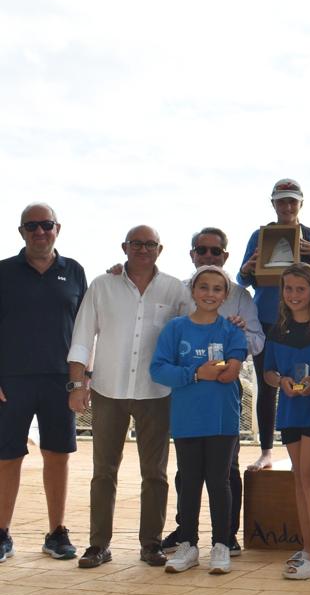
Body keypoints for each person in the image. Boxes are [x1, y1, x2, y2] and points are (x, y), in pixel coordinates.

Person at [68, 225, 189, 568]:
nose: (143, 249)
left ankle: (151, 544)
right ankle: (98, 546)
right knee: (103, 472)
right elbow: (82, 337)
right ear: (125, 247)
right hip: (108, 389)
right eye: (137, 243)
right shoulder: (102, 285)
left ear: (160, 250)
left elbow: (196, 324)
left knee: (156, 473)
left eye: (150, 244)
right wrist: (77, 385)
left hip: (157, 392)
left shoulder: (176, 289)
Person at [161, 228, 265, 557]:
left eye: (215, 251)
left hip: (221, 404)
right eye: (202, 250)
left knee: (224, 474)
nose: (208, 256)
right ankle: (185, 534)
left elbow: (255, 343)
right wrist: (194, 370)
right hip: (188, 401)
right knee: (187, 475)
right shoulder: (176, 293)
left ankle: (226, 536)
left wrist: (235, 336)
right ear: (192, 254)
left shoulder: (240, 298)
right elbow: (163, 351)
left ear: (226, 256)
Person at [0, 203, 88, 563]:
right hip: (11, 381)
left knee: (57, 456)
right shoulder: (4, 271)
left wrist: (82, 381)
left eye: (46, 225)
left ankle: (56, 533)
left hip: (60, 381)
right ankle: (2, 533)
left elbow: (87, 329)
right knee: (7, 458)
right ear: (21, 231)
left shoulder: (76, 271)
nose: (40, 231)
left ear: (57, 228)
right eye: (32, 226)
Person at [150, 266, 247, 574]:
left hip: (221, 419)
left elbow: (230, 372)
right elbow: (159, 369)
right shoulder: (176, 329)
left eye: (217, 289)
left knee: (219, 481)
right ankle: (188, 543)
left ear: (226, 295)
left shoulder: (232, 330)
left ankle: (221, 544)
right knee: (189, 481)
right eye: (203, 287)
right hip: (187, 418)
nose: (209, 294)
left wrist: (218, 369)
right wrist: (194, 372)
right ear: (192, 291)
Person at [238, 178, 310, 472]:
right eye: (281, 201)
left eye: (292, 200)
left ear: (301, 203)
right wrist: (246, 268)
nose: (287, 206)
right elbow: (244, 279)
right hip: (267, 319)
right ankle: (266, 451)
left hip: (306, 323)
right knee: (268, 383)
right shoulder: (259, 236)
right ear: (273, 203)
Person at [261, 263, 310, 580]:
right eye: (288, 288)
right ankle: (309, 548)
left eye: (300, 289)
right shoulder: (277, 328)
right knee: (299, 479)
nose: (293, 295)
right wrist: (282, 383)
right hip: (290, 410)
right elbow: (268, 372)